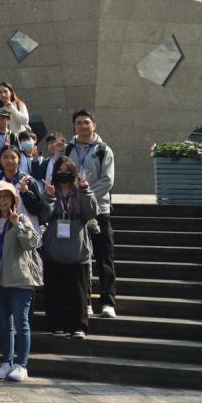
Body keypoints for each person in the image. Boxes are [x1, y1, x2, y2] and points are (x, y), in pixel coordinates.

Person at [0, 180, 43, 382]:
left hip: (19, 279)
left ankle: (21, 364)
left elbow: (31, 243)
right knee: (4, 324)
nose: (2, 200)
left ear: (13, 200)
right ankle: (6, 362)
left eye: (6, 197)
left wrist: (18, 225)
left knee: (21, 323)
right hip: (0, 281)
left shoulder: (22, 218)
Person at [65, 109, 116, 318]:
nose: (83, 126)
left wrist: (86, 197)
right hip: (75, 212)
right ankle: (84, 301)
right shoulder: (68, 149)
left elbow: (107, 181)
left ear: (94, 125)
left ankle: (108, 302)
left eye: (86, 122)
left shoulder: (103, 150)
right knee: (80, 259)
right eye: (79, 123)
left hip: (99, 211)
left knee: (104, 257)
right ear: (74, 126)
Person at [42, 158, 98, 338]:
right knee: (55, 291)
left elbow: (91, 213)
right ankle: (57, 324)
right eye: (60, 171)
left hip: (77, 248)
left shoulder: (80, 191)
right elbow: (44, 216)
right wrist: (49, 197)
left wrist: (86, 190)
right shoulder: (51, 191)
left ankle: (78, 326)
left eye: (68, 170)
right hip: (55, 248)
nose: (64, 174)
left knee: (78, 292)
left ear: (74, 173)